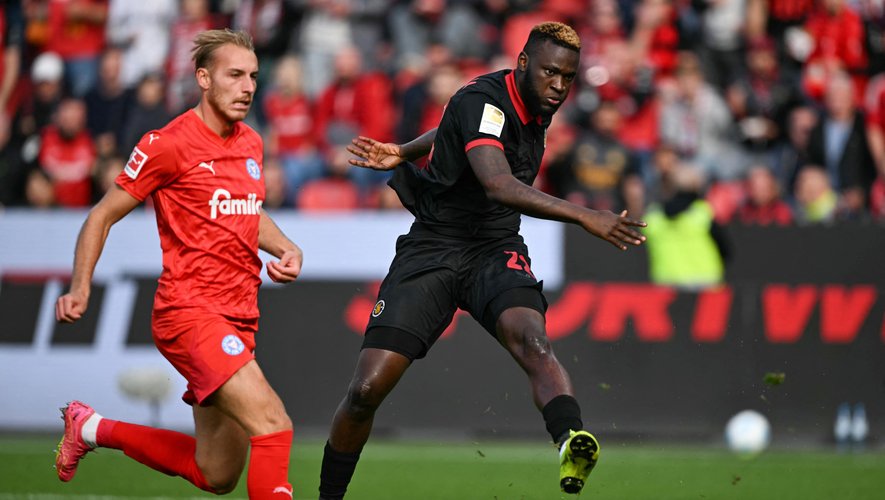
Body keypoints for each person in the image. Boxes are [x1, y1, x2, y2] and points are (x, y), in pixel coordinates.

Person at [318, 22, 646, 499]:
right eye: (551, 73)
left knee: (533, 341)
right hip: (434, 247)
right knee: (366, 390)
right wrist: (585, 216)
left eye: (568, 78)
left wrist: (405, 151)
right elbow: (497, 182)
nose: (559, 86)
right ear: (523, 64)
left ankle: (571, 441)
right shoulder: (484, 99)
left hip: (495, 245)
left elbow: (456, 126)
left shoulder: (531, 101)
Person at [54, 29, 302, 499]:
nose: (248, 86)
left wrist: (286, 247)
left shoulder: (250, 141)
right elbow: (101, 215)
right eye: (235, 75)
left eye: (253, 76)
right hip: (190, 313)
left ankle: (90, 428)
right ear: (204, 79)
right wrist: (80, 286)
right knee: (273, 423)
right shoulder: (167, 143)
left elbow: (245, 208)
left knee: (217, 473)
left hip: (239, 316)